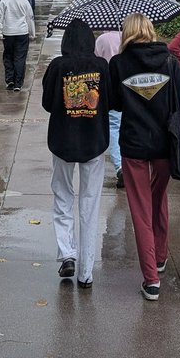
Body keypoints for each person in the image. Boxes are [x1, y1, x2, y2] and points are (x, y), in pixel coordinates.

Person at [108, 13, 180, 301]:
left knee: (140, 210)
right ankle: (160, 257)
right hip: (165, 145)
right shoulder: (169, 60)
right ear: (150, 30)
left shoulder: (118, 64)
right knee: (159, 198)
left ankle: (151, 280)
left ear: (127, 33)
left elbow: (114, 103)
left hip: (134, 146)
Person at [41, 19, 111, 289]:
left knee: (63, 197)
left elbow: (47, 103)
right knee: (90, 205)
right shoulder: (101, 67)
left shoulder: (57, 66)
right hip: (94, 142)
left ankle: (67, 253)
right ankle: (86, 272)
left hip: (62, 141)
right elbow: (111, 101)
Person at [93, 28, 123, 187]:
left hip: (108, 87)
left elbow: (96, 62)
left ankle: (120, 165)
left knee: (113, 126)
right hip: (127, 86)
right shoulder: (127, 37)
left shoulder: (101, 40)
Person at [0, 0, 35, 91]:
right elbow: (30, 18)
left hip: (8, 33)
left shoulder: (4, 1)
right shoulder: (24, 1)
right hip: (22, 32)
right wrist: (32, 33)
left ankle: (10, 80)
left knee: (8, 56)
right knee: (20, 57)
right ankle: (18, 83)